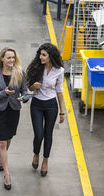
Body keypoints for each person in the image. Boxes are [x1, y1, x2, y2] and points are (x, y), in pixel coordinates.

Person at [0, 47, 27, 190]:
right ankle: (7, 174)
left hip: (13, 110)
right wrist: (4, 93)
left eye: (13, 57)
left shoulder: (20, 72)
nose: (11, 60)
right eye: (9, 57)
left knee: (8, 138)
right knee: (1, 143)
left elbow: (24, 91)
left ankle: (1, 160)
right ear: (2, 59)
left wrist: (24, 98)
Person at [26, 43, 65, 177]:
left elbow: (59, 91)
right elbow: (29, 88)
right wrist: (33, 86)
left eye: (44, 55)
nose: (40, 57)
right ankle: (36, 153)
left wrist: (62, 111)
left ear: (51, 56)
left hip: (51, 106)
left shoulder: (59, 70)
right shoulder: (36, 67)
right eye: (40, 54)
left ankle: (45, 160)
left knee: (48, 134)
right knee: (39, 134)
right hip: (36, 104)